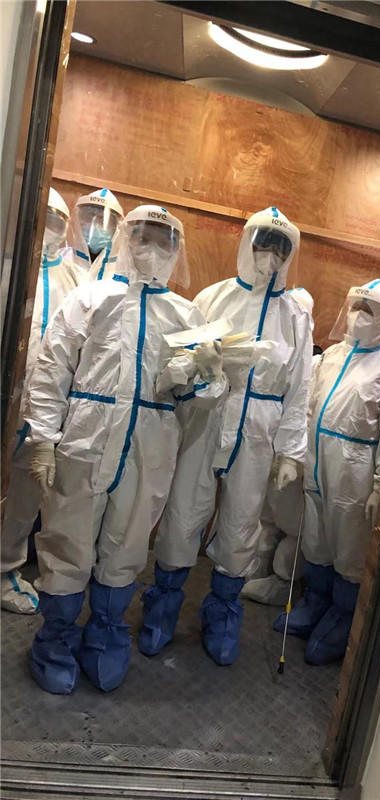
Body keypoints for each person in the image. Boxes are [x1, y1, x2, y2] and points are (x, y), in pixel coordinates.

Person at [25, 205, 227, 694]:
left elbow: (196, 401)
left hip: (149, 449)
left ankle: (107, 636)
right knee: (68, 540)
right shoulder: (90, 298)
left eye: (165, 239)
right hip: (86, 441)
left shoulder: (186, 316)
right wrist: (44, 439)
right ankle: (54, 641)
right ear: (125, 237)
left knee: (128, 543)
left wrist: (204, 376)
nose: (153, 247)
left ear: (177, 249)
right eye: (143, 235)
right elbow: (52, 369)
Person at [138, 207, 313, 666]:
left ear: (291, 254)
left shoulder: (296, 315)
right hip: (207, 415)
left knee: (241, 522)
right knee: (183, 512)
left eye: (281, 247)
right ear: (246, 243)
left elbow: (300, 387)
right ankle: (162, 610)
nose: (270, 254)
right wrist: (203, 367)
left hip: (258, 428)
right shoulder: (213, 297)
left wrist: (290, 452)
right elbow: (180, 361)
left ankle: (222, 616)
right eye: (263, 242)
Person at [274, 280, 380, 665]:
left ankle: (342, 615)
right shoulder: (333, 355)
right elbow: (306, 406)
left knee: (349, 545)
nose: (358, 316)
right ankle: (315, 602)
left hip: (355, 469)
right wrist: (295, 456)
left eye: (369, 310)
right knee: (315, 535)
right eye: (355, 307)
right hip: (317, 459)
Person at [1, 188, 82, 614]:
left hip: (40, 417)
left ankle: (5, 572)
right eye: (41, 218)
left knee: (23, 501)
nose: (47, 228)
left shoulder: (77, 282)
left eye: (56, 220)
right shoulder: (8, 266)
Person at [241, 287, 318, 606]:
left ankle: (283, 583)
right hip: (265, 450)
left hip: (293, 456)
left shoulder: (314, 362)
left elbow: (302, 409)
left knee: (290, 522)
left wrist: (292, 455)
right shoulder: (272, 352)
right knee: (264, 517)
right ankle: (256, 569)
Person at [68, 188, 124, 281]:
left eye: (103, 220)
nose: (94, 226)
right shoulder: (63, 259)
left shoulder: (121, 270)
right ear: (79, 220)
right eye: (89, 217)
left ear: (116, 227)